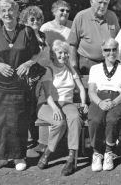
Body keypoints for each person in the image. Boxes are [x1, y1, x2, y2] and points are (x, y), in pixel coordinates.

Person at [0, 0, 40, 171]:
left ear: (17, 12)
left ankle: (18, 157)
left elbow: (36, 54)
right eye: (3, 11)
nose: (7, 14)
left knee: (17, 121)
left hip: (18, 86)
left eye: (10, 10)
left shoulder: (27, 32)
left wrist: (27, 64)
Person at [36, 40, 88, 176]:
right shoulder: (49, 69)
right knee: (59, 122)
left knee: (75, 118)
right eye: (60, 53)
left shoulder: (71, 68)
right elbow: (47, 94)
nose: (63, 56)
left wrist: (83, 102)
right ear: (53, 54)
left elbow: (81, 88)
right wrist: (55, 108)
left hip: (67, 103)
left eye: (66, 53)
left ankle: (71, 158)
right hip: (48, 104)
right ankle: (47, 153)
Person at [87, 38, 121, 172]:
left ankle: (109, 151)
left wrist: (115, 102)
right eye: (107, 50)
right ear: (102, 52)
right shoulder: (95, 68)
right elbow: (92, 90)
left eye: (114, 49)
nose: (111, 52)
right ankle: (97, 152)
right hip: (100, 98)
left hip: (118, 99)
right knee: (95, 119)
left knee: (112, 119)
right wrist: (99, 102)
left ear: (118, 51)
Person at [19, 5, 51, 150]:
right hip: (30, 76)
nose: (36, 21)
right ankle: (28, 139)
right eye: (32, 19)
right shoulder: (24, 34)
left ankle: (39, 138)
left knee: (38, 105)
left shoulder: (43, 35)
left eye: (38, 19)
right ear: (25, 20)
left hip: (43, 74)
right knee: (28, 107)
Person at [68, 0, 120, 75]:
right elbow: (72, 44)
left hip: (108, 62)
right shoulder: (81, 16)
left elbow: (118, 40)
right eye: (100, 2)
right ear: (92, 2)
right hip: (87, 64)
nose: (103, 6)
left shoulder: (112, 16)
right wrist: (74, 67)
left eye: (105, 3)